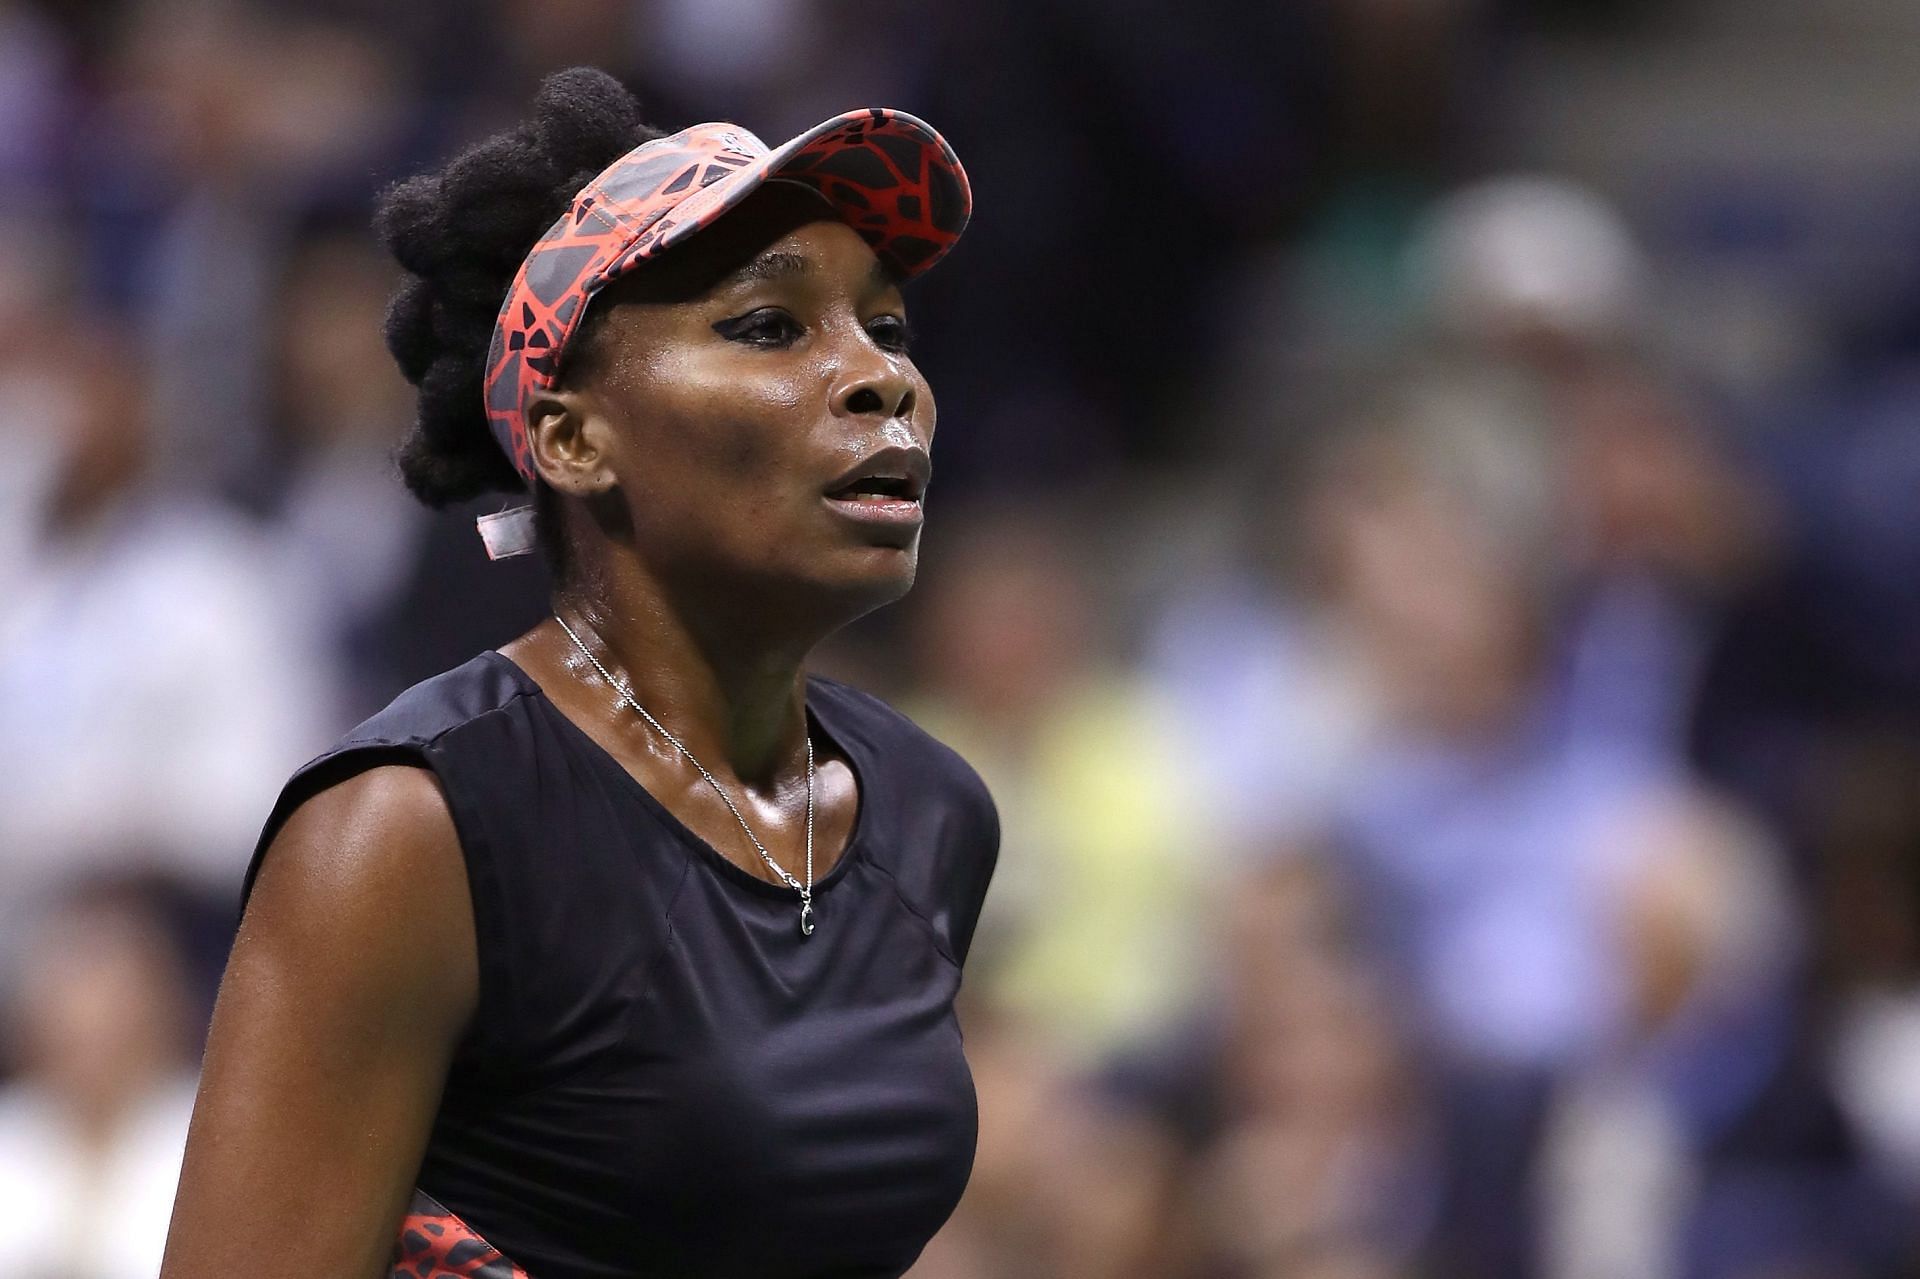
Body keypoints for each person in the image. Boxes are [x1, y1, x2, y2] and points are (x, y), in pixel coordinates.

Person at [160, 67, 998, 1279]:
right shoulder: (409, 833)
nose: (881, 378)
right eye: (769, 325)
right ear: (571, 437)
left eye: (887, 327)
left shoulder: (932, 812)